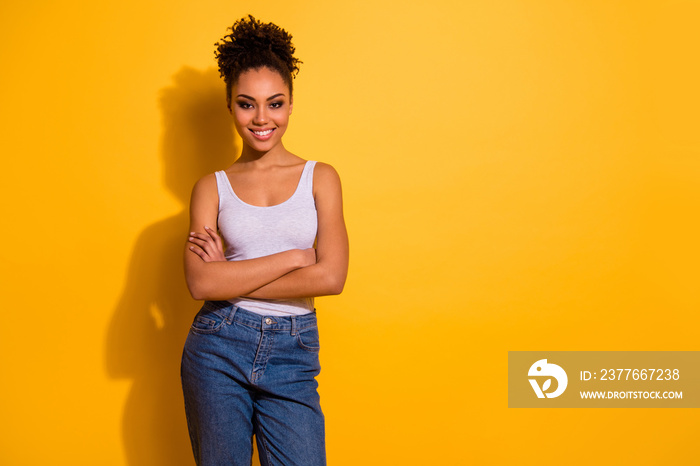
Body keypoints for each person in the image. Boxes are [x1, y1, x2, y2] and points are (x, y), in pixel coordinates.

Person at [180, 15, 349, 466]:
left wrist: (228, 277)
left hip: (293, 352)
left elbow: (331, 277)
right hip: (217, 346)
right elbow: (200, 285)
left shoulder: (321, 178)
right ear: (229, 107)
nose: (261, 119)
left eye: (274, 104)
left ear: (291, 105)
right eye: (246, 104)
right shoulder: (210, 187)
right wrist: (295, 258)